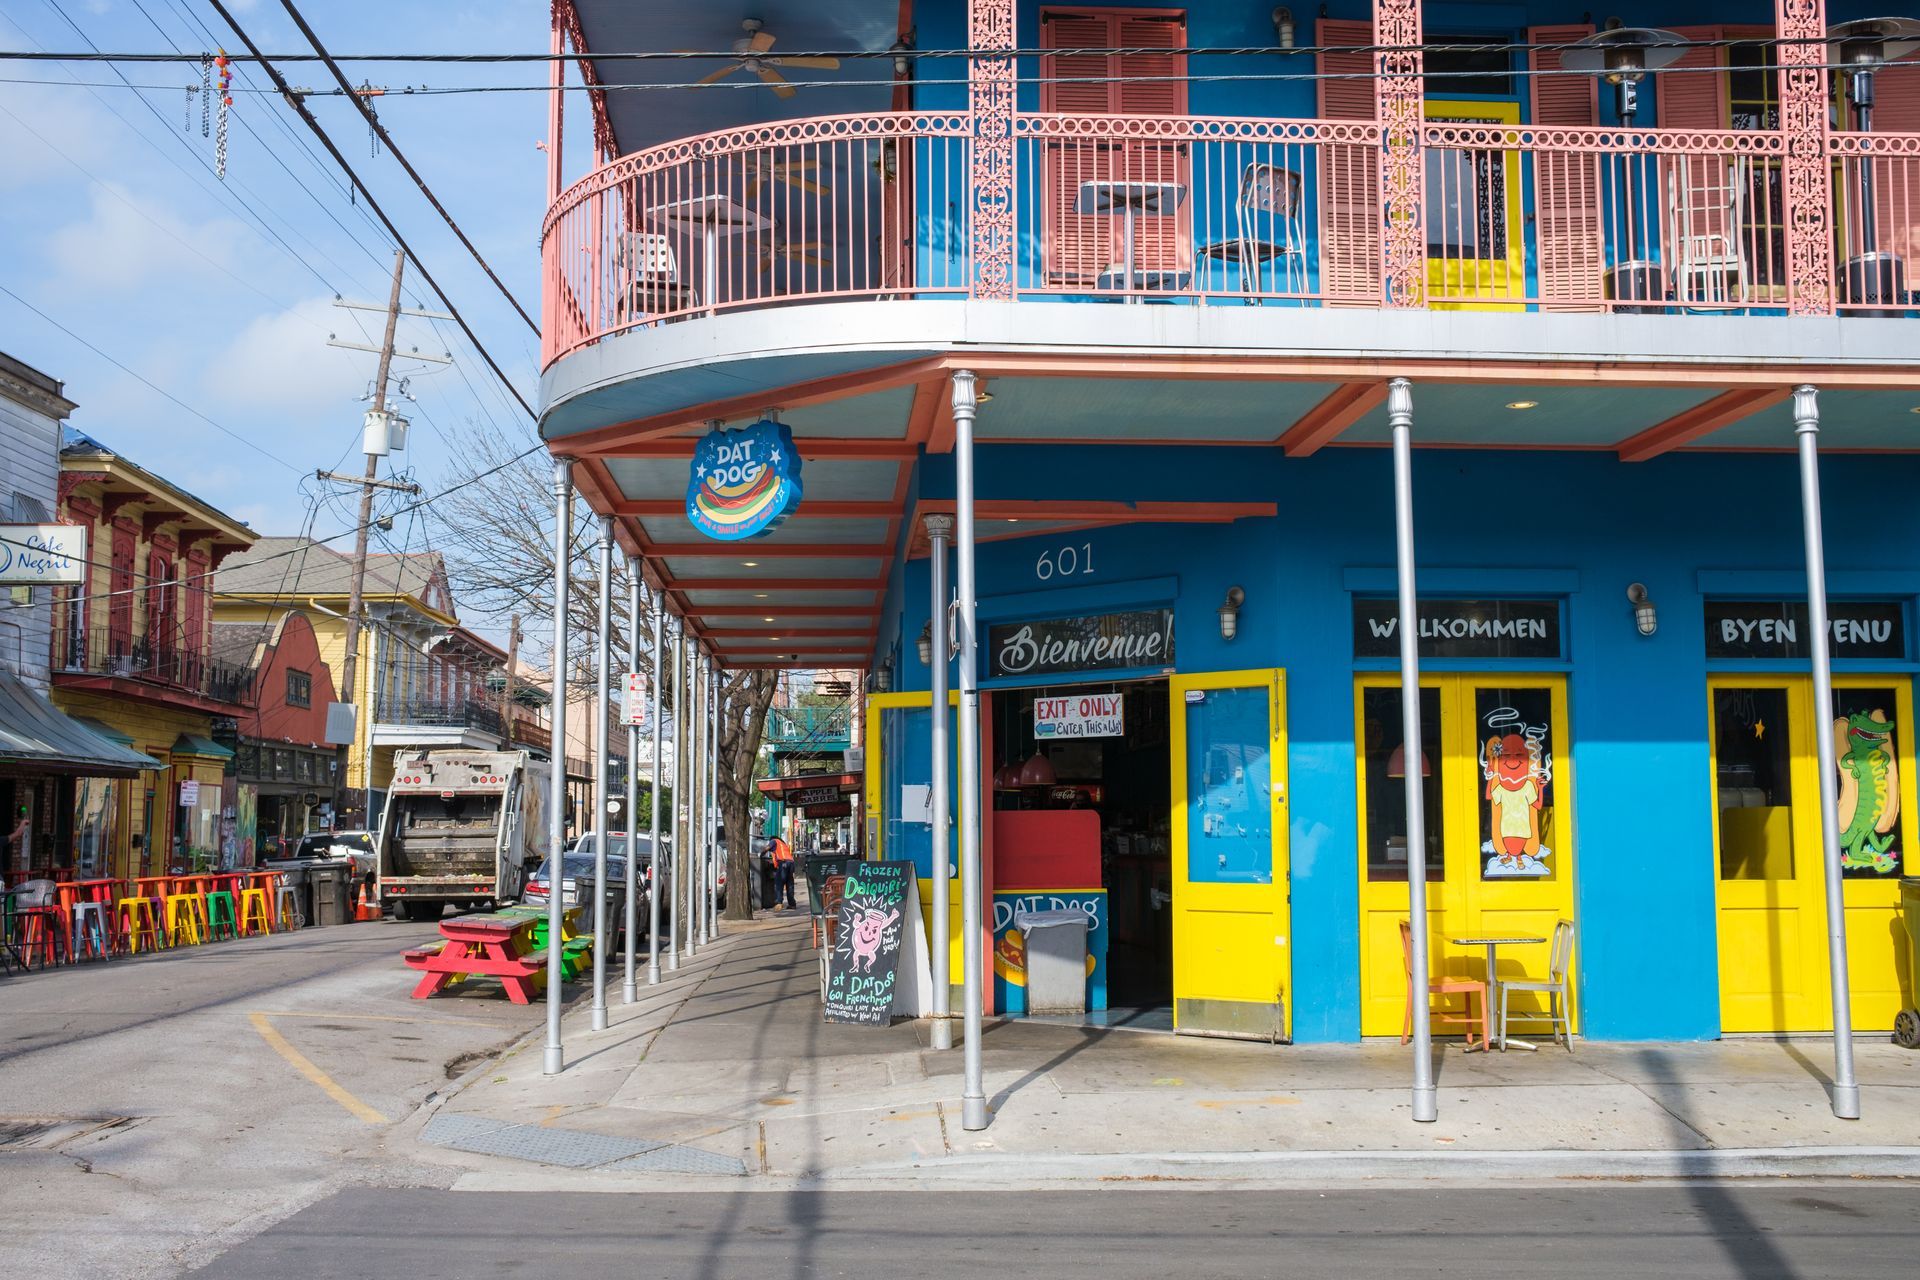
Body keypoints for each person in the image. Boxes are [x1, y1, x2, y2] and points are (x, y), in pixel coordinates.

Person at [770, 833, 796, 910]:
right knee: (789, 884)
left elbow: (767, 848)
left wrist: (761, 854)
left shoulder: (774, 840)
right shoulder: (783, 844)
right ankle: (792, 904)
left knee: (779, 883)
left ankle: (779, 903)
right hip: (791, 863)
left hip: (783, 863)